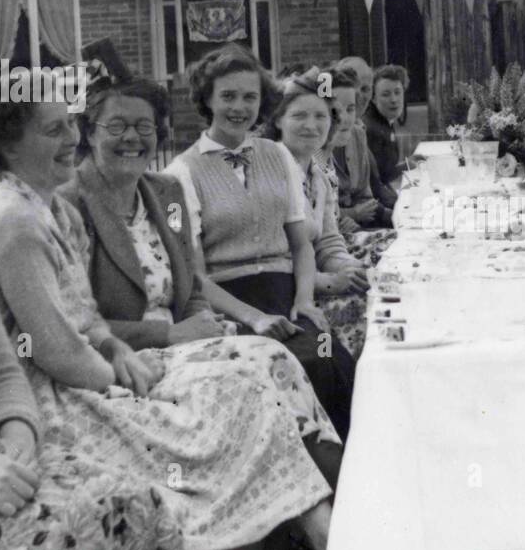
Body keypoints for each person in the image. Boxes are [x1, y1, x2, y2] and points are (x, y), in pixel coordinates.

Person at [0, 94, 335, 550]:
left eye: (70, 126)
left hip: (87, 375)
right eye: (53, 131)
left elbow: (84, 319)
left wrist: (114, 349)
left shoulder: (50, 209)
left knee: (249, 385)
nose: (70, 140)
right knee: (237, 404)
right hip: (44, 400)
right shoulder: (15, 222)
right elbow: (57, 352)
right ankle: (310, 526)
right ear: (8, 144)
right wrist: (124, 371)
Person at [55, 74, 343, 485]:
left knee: (281, 363)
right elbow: (73, 327)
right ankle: (324, 515)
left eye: (145, 126)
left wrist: (204, 323)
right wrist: (170, 335)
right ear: (87, 131)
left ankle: (325, 507)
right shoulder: (67, 207)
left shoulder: (164, 192)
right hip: (129, 364)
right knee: (262, 375)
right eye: (116, 126)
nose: (132, 139)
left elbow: (189, 286)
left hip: (191, 346)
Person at [163, 45, 356, 438]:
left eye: (250, 97)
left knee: (332, 360)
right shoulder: (181, 171)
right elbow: (193, 275)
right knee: (287, 373)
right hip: (231, 304)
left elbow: (301, 245)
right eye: (228, 96)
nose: (240, 107)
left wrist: (304, 299)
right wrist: (251, 317)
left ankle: (350, 482)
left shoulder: (276, 155)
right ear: (207, 99)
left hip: (286, 293)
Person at [265, 70, 373, 358]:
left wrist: (347, 267)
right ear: (278, 120)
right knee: (364, 313)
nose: (311, 126)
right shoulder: (270, 167)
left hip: (310, 282)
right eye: (299, 116)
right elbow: (271, 260)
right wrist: (328, 282)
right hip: (279, 296)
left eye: (321, 116)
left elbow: (328, 241)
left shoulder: (318, 176)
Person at [322, 67, 391, 229]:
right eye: (335, 111)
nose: (344, 119)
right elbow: (315, 212)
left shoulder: (358, 135)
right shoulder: (312, 152)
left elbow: (364, 195)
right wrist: (353, 213)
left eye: (350, 109)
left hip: (359, 228)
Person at [335, 57, 396, 210]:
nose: (358, 96)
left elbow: (367, 194)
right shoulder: (317, 147)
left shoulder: (358, 133)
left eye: (365, 89)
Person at [363, 64, 410, 189]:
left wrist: (407, 164)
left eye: (397, 92)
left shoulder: (384, 122)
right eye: (386, 94)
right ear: (373, 98)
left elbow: (385, 171)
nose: (394, 99)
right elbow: (378, 180)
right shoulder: (372, 129)